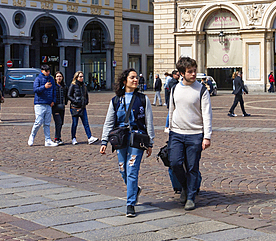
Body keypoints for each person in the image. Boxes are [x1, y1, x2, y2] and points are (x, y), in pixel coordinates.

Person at [101, 68, 155, 217]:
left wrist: (150, 142)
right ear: (124, 81)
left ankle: (130, 204)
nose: (135, 80)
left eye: (136, 77)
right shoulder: (116, 100)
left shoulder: (143, 99)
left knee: (132, 170)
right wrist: (104, 141)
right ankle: (135, 190)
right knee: (122, 169)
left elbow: (148, 121)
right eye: (132, 78)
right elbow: (109, 121)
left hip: (137, 139)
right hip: (121, 139)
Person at [167, 56, 212, 211]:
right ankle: (185, 187)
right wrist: (170, 129)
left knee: (192, 167)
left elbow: (207, 114)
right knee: (175, 163)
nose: (193, 74)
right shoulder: (175, 89)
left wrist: (207, 136)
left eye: (194, 71)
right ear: (181, 73)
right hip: (176, 133)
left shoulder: (202, 90)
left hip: (195, 134)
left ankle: (191, 197)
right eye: (190, 72)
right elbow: (171, 110)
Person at [28, 66, 57, 146]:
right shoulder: (38, 78)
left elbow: (54, 90)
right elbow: (35, 90)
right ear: (42, 71)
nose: (47, 72)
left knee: (47, 123)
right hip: (39, 103)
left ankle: (47, 140)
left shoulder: (51, 79)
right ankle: (32, 136)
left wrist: (53, 101)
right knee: (38, 121)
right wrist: (44, 87)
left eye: (48, 71)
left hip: (48, 103)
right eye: (46, 71)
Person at [68, 71, 99, 144]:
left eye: (82, 76)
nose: (82, 78)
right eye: (80, 76)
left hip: (82, 107)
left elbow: (86, 94)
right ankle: (73, 138)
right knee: (75, 124)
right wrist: (75, 101)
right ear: (76, 77)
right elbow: (69, 95)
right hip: (75, 107)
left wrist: (86, 101)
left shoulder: (84, 85)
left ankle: (89, 137)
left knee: (86, 123)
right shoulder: (73, 85)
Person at [52, 71, 67, 143]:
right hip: (55, 108)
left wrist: (65, 103)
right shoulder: (53, 86)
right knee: (58, 122)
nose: (59, 78)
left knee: (61, 123)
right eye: (57, 76)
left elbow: (66, 95)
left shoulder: (64, 86)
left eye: (60, 76)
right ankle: (56, 138)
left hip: (62, 107)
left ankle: (59, 137)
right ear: (55, 78)